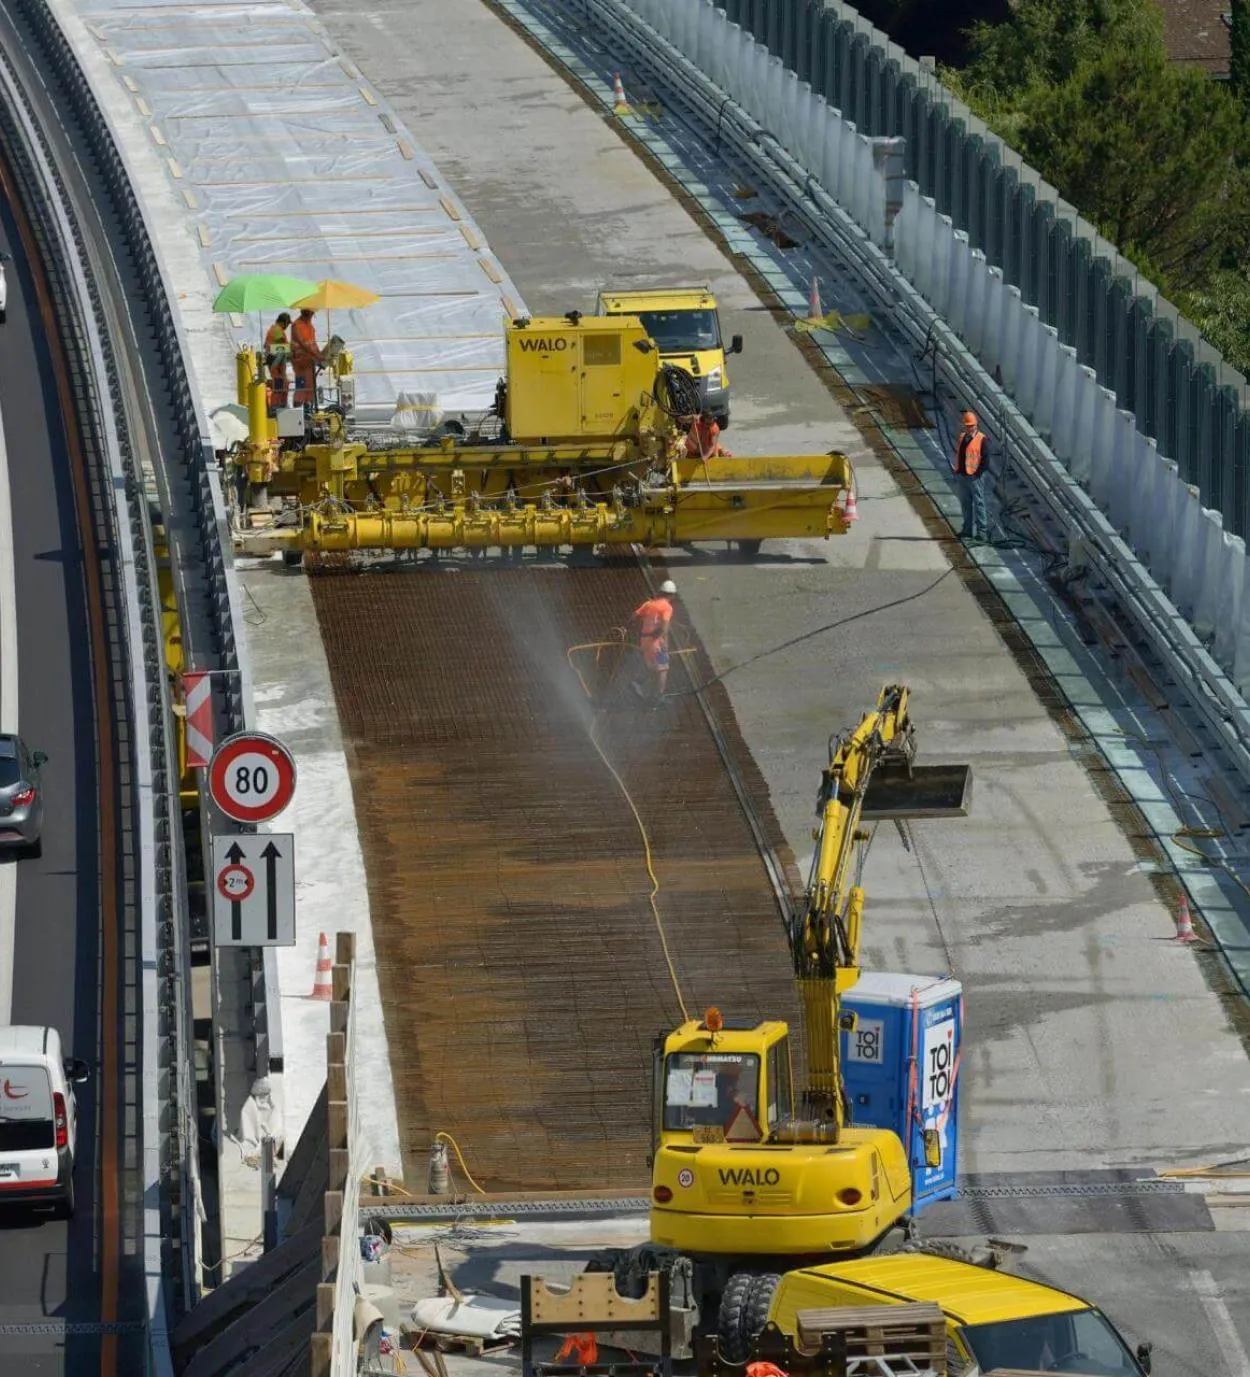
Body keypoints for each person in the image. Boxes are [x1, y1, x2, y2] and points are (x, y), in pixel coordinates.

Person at [952, 408, 994, 542]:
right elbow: (959, 455)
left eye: (972, 426)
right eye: (968, 426)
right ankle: (967, 530)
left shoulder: (982, 440)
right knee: (965, 503)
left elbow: (986, 461)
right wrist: (957, 470)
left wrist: (978, 474)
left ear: (976, 425)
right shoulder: (962, 437)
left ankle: (982, 532)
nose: (970, 428)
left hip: (975, 477)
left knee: (979, 503)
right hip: (963, 475)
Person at [630, 579, 677, 699]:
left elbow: (634, 616)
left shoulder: (649, 604)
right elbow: (664, 628)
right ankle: (659, 697)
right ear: (671, 595)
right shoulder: (667, 607)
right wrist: (664, 645)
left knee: (652, 667)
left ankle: (638, 683)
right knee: (663, 669)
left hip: (644, 640)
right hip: (656, 642)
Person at [290, 306, 324, 408]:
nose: (312, 316)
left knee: (310, 387)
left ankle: (308, 408)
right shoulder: (296, 325)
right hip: (300, 362)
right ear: (307, 313)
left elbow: (313, 343)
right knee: (301, 386)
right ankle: (298, 409)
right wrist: (317, 355)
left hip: (309, 362)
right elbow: (302, 343)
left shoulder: (310, 326)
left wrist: (320, 355)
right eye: (312, 314)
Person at [264, 312, 291, 408]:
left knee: (283, 384)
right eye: (287, 324)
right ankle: (276, 407)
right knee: (280, 385)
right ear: (284, 322)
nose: (287, 327)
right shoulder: (277, 330)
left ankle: (281, 405)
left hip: (276, 363)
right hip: (275, 364)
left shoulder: (274, 329)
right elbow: (283, 347)